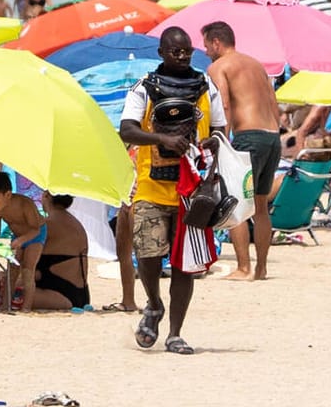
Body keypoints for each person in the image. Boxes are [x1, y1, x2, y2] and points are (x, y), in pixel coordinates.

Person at [118, 26, 223, 355]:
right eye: (175, 51)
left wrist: (210, 141)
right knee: (147, 255)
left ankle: (175, 333)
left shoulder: (206, 86)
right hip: (151, 185)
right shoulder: (145, 88)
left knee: (184, 264)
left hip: (192, 191)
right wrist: (163, 139)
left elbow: (219, 127)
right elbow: (127, 130)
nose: (182, 56)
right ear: (161, 52)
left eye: (187, 51)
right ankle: (153, 304)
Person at [201, 20, 281, 282]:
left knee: (235, 201)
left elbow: (223, 104)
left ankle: (244, 268)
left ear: (216, 42)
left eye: (206, 46)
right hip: (272, 136)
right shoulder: (256, 65)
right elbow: (273, 103)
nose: (206, 52)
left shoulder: (218, 67)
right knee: (260, 205)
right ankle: (262, 268)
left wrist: (221, 142)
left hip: (248, 136)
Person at [0, 171, 47, 313]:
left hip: (35, 234)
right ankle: (5, 306)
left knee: (28, 271)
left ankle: (26, 308)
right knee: (12, 272)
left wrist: (22, 240)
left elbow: (35, 229)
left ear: (8, 195)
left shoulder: (25, 204)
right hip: (17, 236)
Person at [30, 193, 91, 311]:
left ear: (47, 196)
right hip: (82, 295)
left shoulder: (47, 225)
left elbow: (25, 262)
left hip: (59, 296)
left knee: (1, 291)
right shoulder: (76, 224)